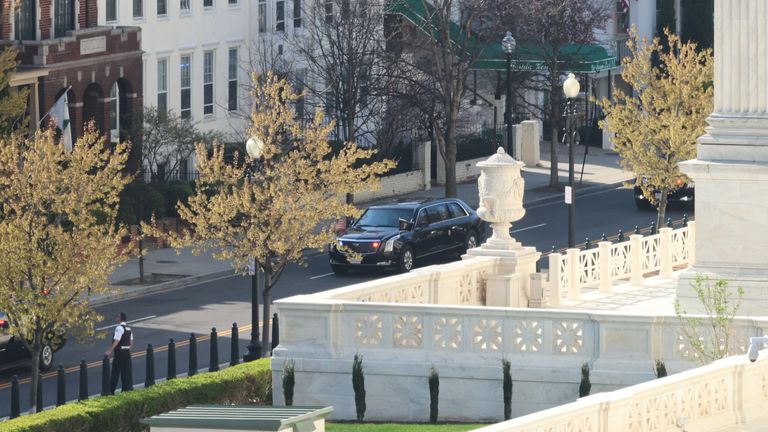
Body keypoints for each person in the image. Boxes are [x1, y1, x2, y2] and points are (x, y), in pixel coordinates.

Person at [105, 312, 133, 394]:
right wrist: (127, 349)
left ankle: (111, 391)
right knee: (125, 372)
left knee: (115, 372)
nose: (116, 318)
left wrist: (110, 350)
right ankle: (125, 391)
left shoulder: (119, 328)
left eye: (117, 316)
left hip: (119, 352)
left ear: (120, 318)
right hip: (127, 352)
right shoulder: (128, 328)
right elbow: (131, 341)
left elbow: (117, 340)